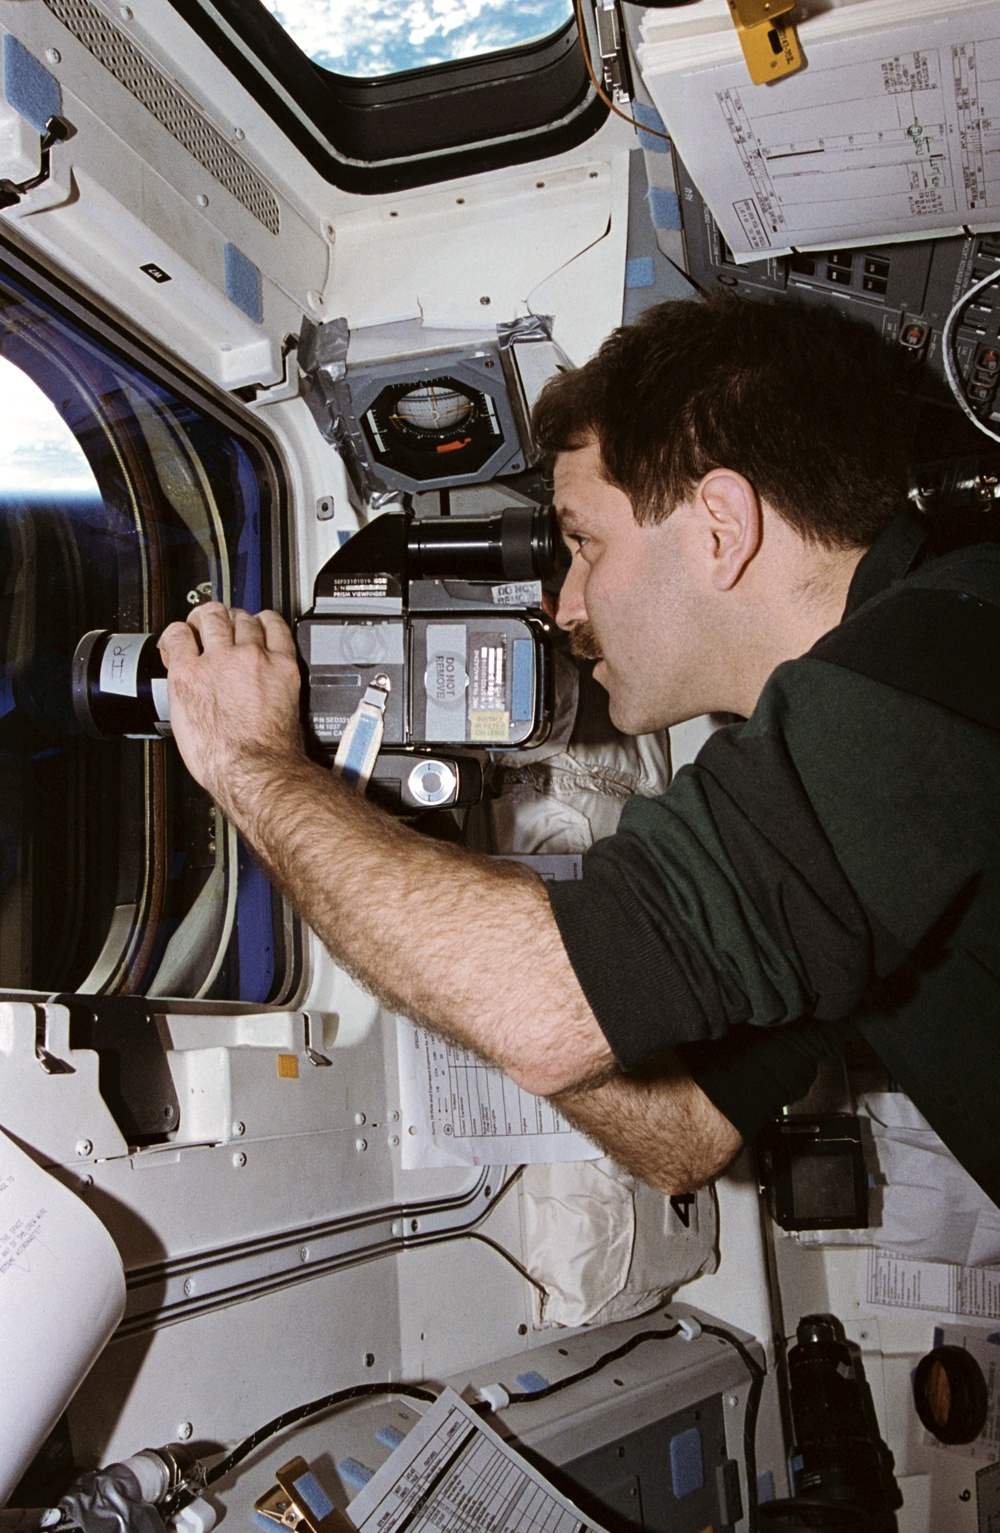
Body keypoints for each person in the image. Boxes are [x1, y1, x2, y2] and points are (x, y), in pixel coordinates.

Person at [159, 295, 1000, 1204]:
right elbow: (680, 1135)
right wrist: (434, 891)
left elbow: (543, 1012)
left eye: (585, 543)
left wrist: (251, 763)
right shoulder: (861, 726)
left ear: (722, 526)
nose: (567, 607)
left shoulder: (936, 660)